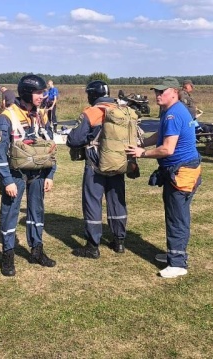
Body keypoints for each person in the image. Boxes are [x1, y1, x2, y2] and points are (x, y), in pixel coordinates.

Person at [125, 77, 201, 278]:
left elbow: (167, 149)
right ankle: (174, 254)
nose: (158, 95)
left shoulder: (173, 115)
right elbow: (162, 134)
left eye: (162, 92)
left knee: (177, 217)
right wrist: (143, 142)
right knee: (175, 214)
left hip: (181, 172)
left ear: (174, 92)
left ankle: (177, 264)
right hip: (183, 169)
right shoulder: (172, 111)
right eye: (156, 92)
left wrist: (142, 153)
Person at [0, 74, 57, 276]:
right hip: (15, 174)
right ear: (27, 93)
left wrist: (50, 174)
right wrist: (7, 180)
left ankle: (36, 250)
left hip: (38, 173)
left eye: (43, 92)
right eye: (38, 92)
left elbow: (51, 147)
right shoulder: (6, 118)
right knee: (10, 213)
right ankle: (8, 255)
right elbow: (0, 153)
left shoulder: (41, 115)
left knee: (36, 211)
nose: (42, 96)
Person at [66, 80, 128, 258]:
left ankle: (93, 246)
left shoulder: (91, 112)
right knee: (117, 201)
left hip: (95, 164)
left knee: (92, 203)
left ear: (92, 95)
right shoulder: (122, 111)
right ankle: (119, 241)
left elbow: (74, 139)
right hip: (117, 162)